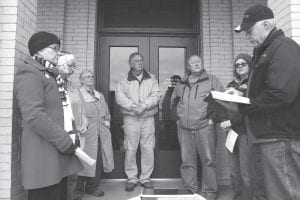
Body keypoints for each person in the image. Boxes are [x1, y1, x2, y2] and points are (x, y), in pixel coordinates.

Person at [234, 5, 300, 200]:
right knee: (262, 194)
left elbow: (281, 93)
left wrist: (245, 103)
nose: (247, 36)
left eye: (249, 30)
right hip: (263, 138)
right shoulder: (265, 51)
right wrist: (242, 93)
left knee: (283, 195)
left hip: (279, 139)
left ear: (267, 24)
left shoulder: (284, 47)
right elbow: (269, 88)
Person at [14, 31, 82, 200]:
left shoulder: (51, 74)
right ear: (39, 50)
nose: (58, 53)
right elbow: (34, 115)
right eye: (54, 48)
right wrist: (64, 140)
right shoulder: (29, 72)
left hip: (57, 151)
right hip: (44, 152)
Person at [170, 55, 224, 200]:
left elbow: (222, 101)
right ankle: (190, 188)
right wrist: (177, 118)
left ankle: (210, 191)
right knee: (187, 160)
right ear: (188, 67)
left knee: (209, 160)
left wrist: (213, 119)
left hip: (205, 127)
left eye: (198, 61)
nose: (196, 64)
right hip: (184, 128)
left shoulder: (212, 80)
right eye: (193, 62)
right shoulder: (181, 83)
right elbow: (173, 101)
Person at [115, 52, 161, 191]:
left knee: (148, 148)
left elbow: (156, 94)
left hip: (147, 118)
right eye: (136, 61)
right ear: (131, 64)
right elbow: (119, 97)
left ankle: (145, 178)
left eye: (141, 60)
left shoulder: (151, 78)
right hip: (131, 118)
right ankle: (132, 178)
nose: (140, 62)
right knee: (131, 148)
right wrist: (135, 107)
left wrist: (144, 105)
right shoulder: (123, 79)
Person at [74, 70, 114, 198]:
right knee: (81, 161)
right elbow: (76, 113)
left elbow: (106, 114)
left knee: (97, 161)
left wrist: (107, 124)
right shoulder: (77, 94)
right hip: (85, 134)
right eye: (87, 77)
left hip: (101, 133)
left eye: (92, 76)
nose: (91, 78)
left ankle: (92, 188)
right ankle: (78, 190)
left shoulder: (99, 95)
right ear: (81, 80)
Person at [56, 53, 88, 200]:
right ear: (59, 63)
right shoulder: (53, 83)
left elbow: (80, 107)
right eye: (70, 65)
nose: (73, 69)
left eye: (74, 66)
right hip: (60, 135)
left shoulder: (71, 85)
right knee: (60, 175)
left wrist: (84, 121)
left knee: (72, 175)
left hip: (75, 134)